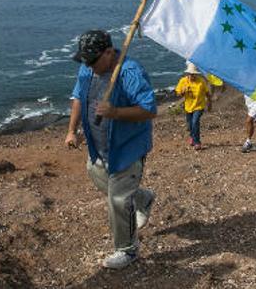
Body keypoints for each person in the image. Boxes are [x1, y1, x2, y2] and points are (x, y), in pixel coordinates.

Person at [64, 30, 157, 270]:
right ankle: (142, 198)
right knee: (99, 178)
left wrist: (115, 112)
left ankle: (128, 249)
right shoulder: (88, 67)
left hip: (127, 146)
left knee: (117, 199)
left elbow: (149, 109)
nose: (88, 66)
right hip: (98, 146)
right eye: (85, 60)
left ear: (108, 52)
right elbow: (77, 98)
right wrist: (71, 131)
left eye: (93, 60)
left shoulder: (129, 72)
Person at [174, 61, 211, 151]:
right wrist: (183, 91)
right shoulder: (183, 81)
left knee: (195, 122)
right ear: (187, 73)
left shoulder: (201, 82)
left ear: (196, 74)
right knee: (190, 125)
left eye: (193, 74)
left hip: (199, 106)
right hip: (188, 107)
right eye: (190, 74)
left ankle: (197, 142)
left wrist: (210, 104)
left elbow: (207, 93)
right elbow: (178, 94)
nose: (192, 76)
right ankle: (192, 136)